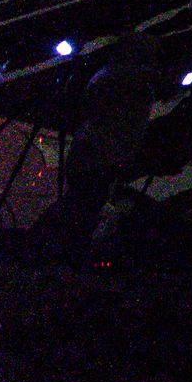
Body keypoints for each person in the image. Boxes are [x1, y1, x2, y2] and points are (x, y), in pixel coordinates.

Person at [47, 33, 168, 262]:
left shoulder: (108, 75)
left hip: (95, 151)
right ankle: (68, 253)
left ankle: (65, 250)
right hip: (101, 153)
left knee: (84, 204)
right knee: (86, 205)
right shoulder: (127, 79)